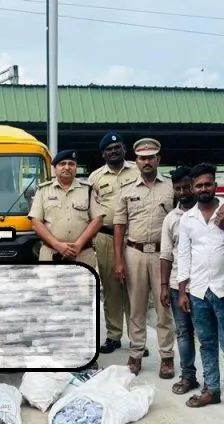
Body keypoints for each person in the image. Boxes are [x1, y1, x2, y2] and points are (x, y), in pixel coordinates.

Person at [176, 163, 224, 412]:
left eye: (208, 184)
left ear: (215, 185)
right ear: (193, 188)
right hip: (197, 290)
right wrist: (182, 291)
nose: (204, 188)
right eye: (199, 185)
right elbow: (183, 254)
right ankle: (212, 389)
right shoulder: (187, 218)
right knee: (206, 343)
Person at [113, 138, 176, 377]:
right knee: (136, 308)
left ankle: (167, 357)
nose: (147, 162)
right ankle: (135, 354)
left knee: (164, 308)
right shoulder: (127, 189)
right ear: (136, 161)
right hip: (134, 253)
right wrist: (118, 260)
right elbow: (119, 225)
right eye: (142, 158)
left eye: (151, 158)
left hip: (163, 254)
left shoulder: (170, 187)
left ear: (158, 160)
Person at [89, 131, 139, 353]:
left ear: (124, 149)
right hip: (106, 237)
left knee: (135, 289)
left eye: (117, 147)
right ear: (103, 154)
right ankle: (113, 335)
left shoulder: (138, 170)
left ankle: (137, 338)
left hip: (134, 237)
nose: (113, 151)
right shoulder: (95, 178)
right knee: (111, 289)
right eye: (109, 149)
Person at [159, 165, 198, 395]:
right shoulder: (171, 219)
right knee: (183, 333)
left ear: (194, 185)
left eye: (186, 187)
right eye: (178, 188)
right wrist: (164, 286)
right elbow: (166, 255)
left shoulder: (209, 212)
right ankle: (188, 376)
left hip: (203, 286)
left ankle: (213, 382)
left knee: (208, 337)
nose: (182, 192)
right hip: (176, 286)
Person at [29, 148, 104, 267]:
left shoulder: (88, 189)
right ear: (55, 168)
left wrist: (79, 244)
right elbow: (36, 223)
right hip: (51, 254)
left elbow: (98, 220)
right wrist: (57, 245)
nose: (67, 167)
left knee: (84, 280)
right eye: (62, 164)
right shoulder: (43, 190)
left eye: (71, 164)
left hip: (83, 254)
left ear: (76, 167)